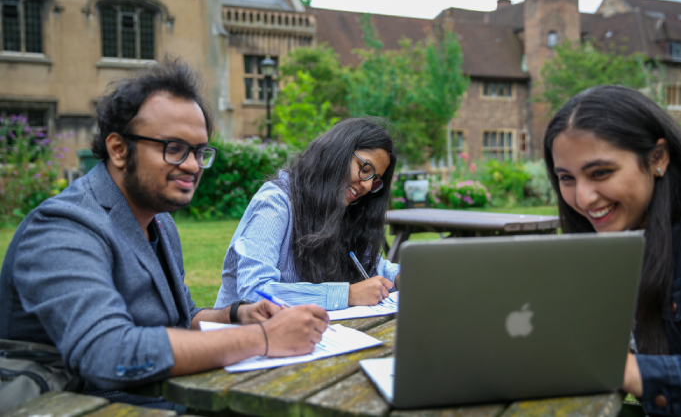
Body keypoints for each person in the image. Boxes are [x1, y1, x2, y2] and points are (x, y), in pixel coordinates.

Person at [0, 59, 329, 409]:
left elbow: (181, 318)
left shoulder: (160, 223)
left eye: (200, 151)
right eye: (173, 148)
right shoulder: (62, 228)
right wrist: (262, 338)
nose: (190, 165)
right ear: (118, 149)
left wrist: (237, 316)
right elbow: (107, 353)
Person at [544, 85, 681, 416]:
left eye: (600, 173)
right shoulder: (608, 246)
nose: (583, 199)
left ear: (658, 157)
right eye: (567, 178)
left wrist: (632, 373)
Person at [214, 118, 400, 311]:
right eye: (366, 169)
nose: (368, 186)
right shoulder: (276, 203)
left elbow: (371, 265)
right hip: (241, 335)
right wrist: (348, 294)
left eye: (375, 180)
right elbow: (255, 292)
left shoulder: (342, 209)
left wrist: (400, 277)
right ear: (337, 153)